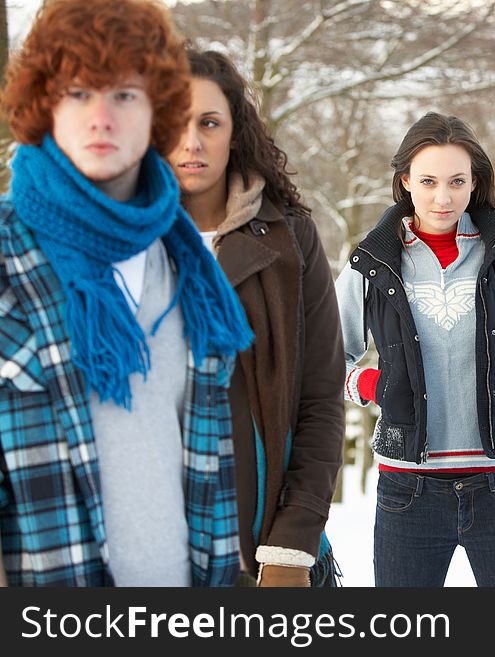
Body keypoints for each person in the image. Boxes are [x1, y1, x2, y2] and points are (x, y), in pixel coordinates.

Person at [0, 0, 254, 586]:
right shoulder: (7, 251)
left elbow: (207, 456)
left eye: (124, 95)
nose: (101, 118)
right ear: (44, 106)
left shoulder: (185, 261)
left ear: (158, 112)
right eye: (77, 94)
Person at [335, 112, 495, 587]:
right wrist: (368, 384)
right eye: (427, 181)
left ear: (474, 184)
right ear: (405, 181)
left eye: (456, 181)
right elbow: (327, 356)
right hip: (408, 489)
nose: (442, 197)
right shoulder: (374, 263)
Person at [168, 49, 345, 587]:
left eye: (209, 122)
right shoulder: (117, 244)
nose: (192, 141)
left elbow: (320, 400)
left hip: (260, 554)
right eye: (174, 121)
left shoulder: (291, 240)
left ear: (234, 133)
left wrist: (291, 547)